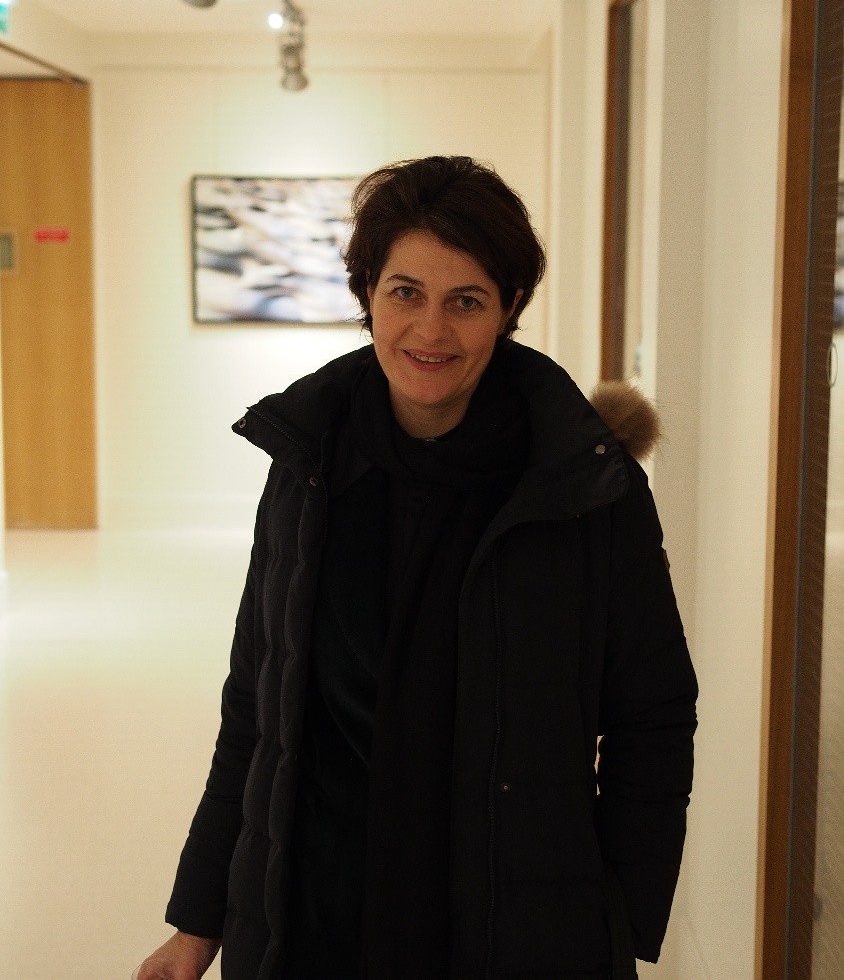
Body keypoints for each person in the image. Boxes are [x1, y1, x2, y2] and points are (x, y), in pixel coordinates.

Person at [135, 155, 697, 980]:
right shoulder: (308, 463)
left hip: (509, 935)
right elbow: (257, 705)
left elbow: (653, 714)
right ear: (368, 293)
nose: (430, 331)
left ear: (509, 307)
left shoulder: (583, 488)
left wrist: (617, 919)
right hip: (311, 924)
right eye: (406, 292)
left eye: (465, 300)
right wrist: (198, 919)